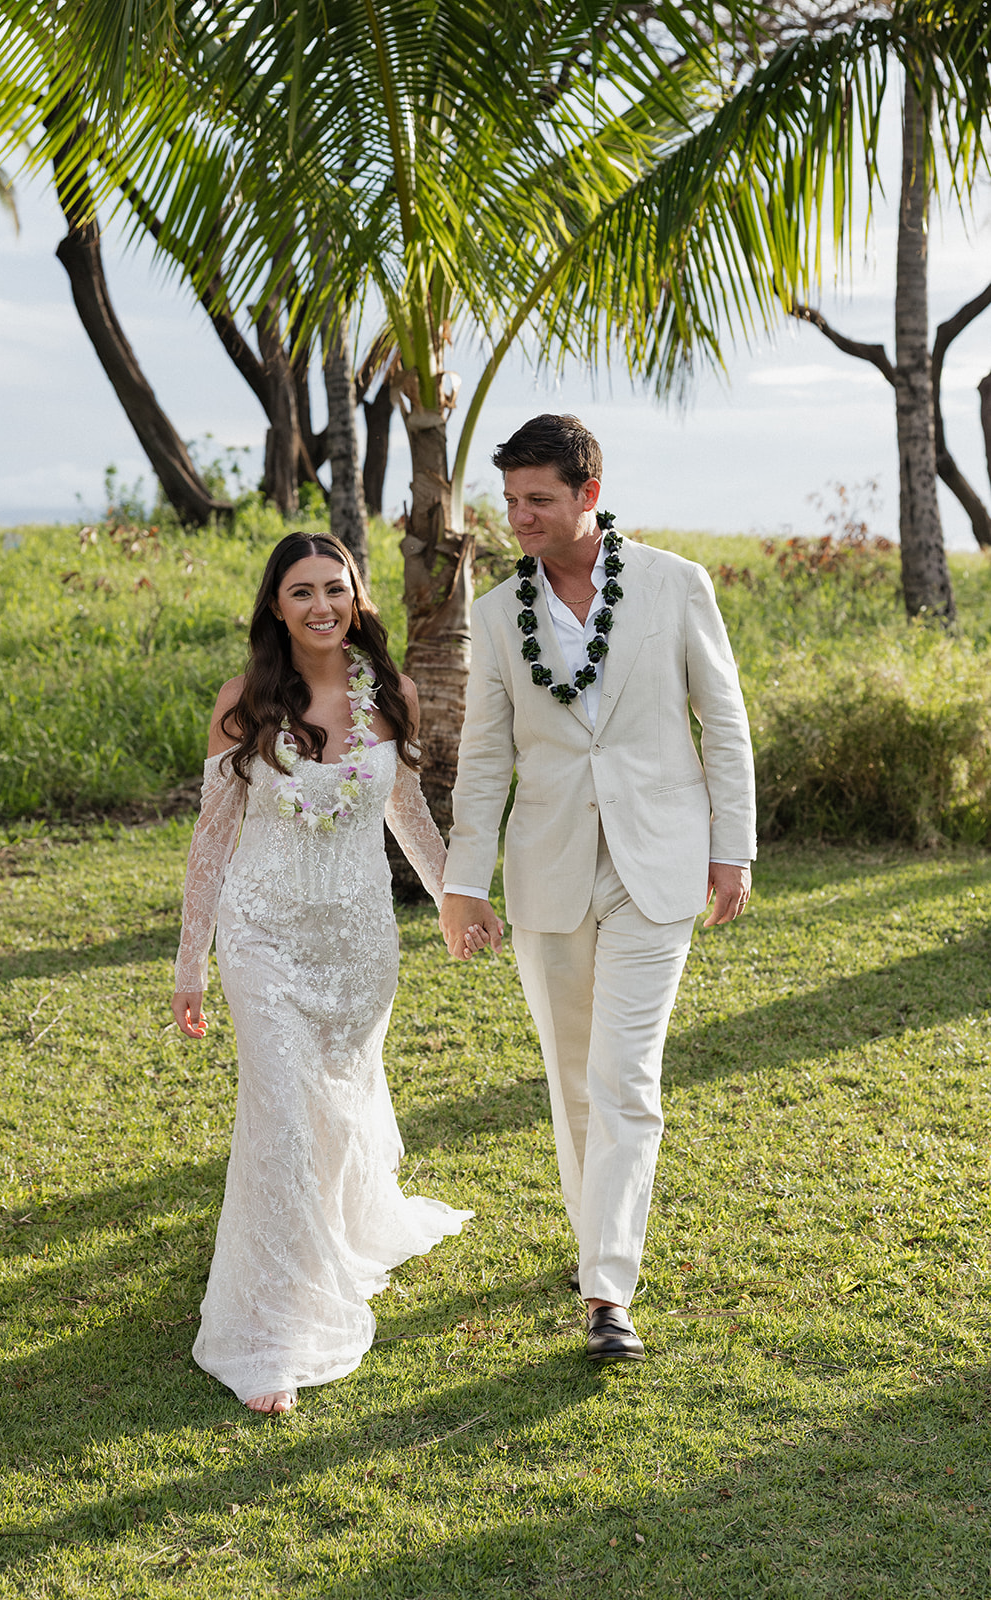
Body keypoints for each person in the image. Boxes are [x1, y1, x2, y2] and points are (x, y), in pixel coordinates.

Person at [439, 414, 756, 1364]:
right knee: (572, 1077)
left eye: (538, 499)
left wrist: (730, 848)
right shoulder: (496, 615)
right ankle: (596, 1249)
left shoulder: (673, 584)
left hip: (657, 862)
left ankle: (607, 1290)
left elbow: (724, 723)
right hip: (548, 869)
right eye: (509, 502)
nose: (520, 518)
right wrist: (463, 880)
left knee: (625, 1078)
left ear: (589, 491)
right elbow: (486, 756)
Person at [173, 531, 482, 1415]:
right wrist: (191, 964)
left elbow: (411, 816)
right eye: (301, 590)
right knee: (282, 1119)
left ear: (357, 597)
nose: (320, 606)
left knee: (335, 1111)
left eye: (334, 588)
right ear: (275, 605)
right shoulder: (243, 704)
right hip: (262, 935)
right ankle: (269, 1328)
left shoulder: (395, 699)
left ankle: (335, 1234)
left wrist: (457, 899)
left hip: (358, 943)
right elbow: (211, 843)